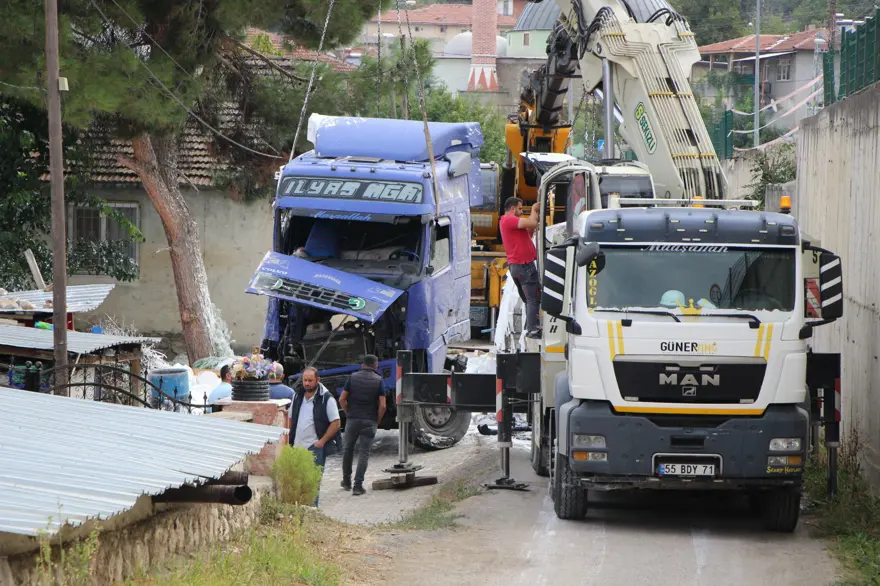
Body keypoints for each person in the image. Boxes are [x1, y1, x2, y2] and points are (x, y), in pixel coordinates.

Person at [289, 366, 341, 507]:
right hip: (297, 446)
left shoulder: (326, 398)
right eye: (305, 380)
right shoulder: (297, 396)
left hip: (314, 446)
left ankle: (312, 510)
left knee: (312, 482)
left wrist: (322, 441)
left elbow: (336, 423)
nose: (307, 383)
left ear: (318, 380)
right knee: (298, 481)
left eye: (310, 380)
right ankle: (300, 509)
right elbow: (291, 418)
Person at [339, 355, 386, 496]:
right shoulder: (379, 380)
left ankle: (346, 481)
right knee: (364, 453)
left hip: (353, 419)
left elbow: (342, 399)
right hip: (369, 421)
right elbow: (383, 406)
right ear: (375, 365)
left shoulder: (352, 377)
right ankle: (358, 486)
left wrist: (348, 413)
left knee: (348, 450)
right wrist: (376, 420)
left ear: (363, 364)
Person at [499, 196, 542, 338]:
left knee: (528, 299)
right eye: (519, 208)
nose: (521, 211)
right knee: (533, 298)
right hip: (524, 265)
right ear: (512, 208)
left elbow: (528, 229)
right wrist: (535, 209)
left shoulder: (510, 223)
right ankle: (533, 329)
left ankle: (529, 326)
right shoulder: (509, 219)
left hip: (517, 266)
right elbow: (532, 223)